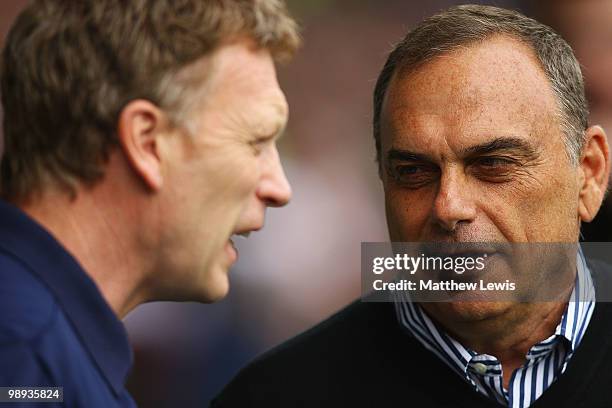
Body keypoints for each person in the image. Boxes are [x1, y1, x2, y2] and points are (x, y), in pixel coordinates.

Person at [212, 5, 612, 407]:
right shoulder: (276, 396)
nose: (448, 206)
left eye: (492, 164)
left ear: (590, 174)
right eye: (413, 172)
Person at [0, 0, 299, 406]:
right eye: (256, 141)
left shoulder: (39, 350)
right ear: (147, 143)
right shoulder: (25, 356)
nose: (280, 189)